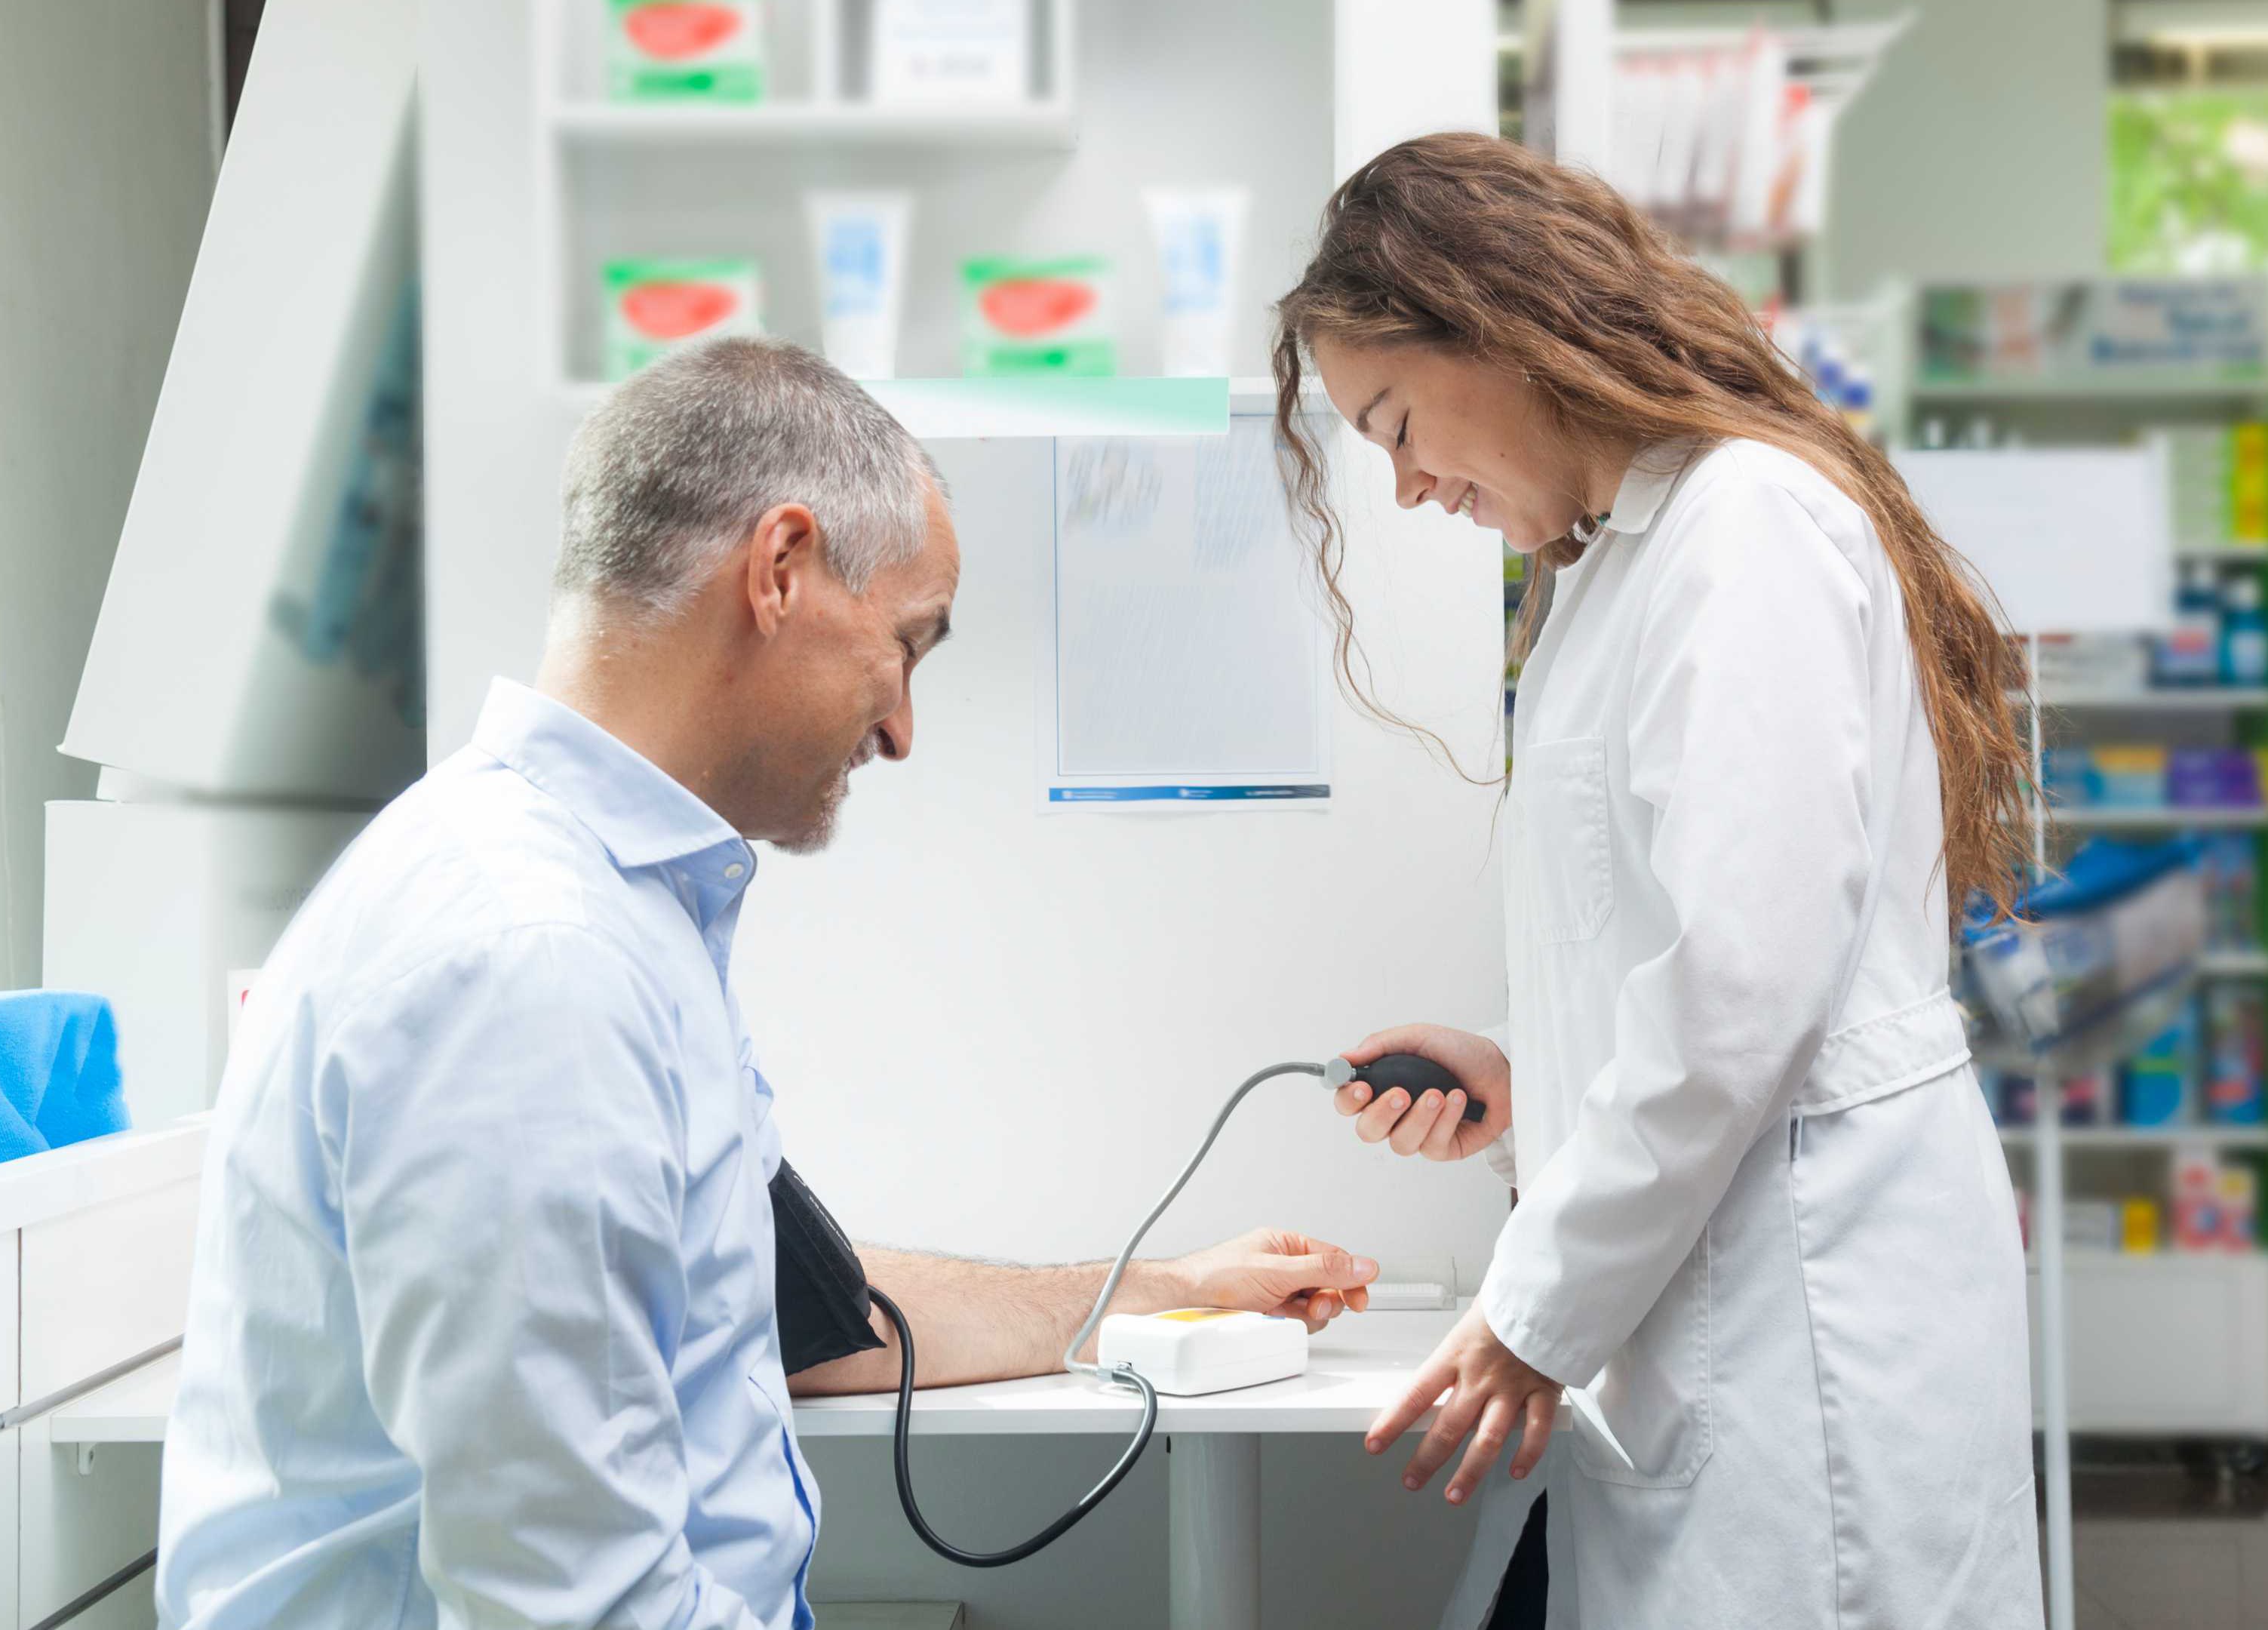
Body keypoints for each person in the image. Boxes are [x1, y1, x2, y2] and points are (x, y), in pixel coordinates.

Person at [155, 339, 1380, 1630]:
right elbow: (568, 1607)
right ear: (781, 568)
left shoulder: (612, 906)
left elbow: (795, 1307)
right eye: (907, 643)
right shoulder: (531, 965)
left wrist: (1156, 1287)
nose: (904, 724)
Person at [1271, 134, 2045, 1628]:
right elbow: (1695, 962)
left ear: (1498, 325)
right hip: (1726, 1306)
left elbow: (1737, 995)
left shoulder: (1741, 523)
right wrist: (1525, 1080)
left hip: (1808, 1321)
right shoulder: (1612, 566)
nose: (1413, 484)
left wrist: (1533, 1319)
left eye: (1397, 419)